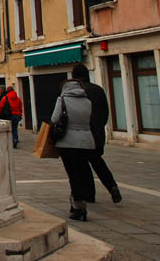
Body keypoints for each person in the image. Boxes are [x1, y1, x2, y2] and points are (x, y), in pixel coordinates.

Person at [71, 63, 121, 204]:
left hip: (82, 134)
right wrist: (99, 127)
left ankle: (89, 195)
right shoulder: (98, 90)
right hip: (98, 133)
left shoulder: (77, 91)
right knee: (97, 161)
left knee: (82, 165)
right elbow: (105, 113)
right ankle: (112, 186)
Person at [51, 78, 95, 222]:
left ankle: (78, 206)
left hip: (68, 142)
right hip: (86, 141)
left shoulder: (62, 100)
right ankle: (78, 201)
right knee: (81, 172)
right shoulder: (87, 101)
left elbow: (54, 119)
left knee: (73, 173)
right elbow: (90, 119)